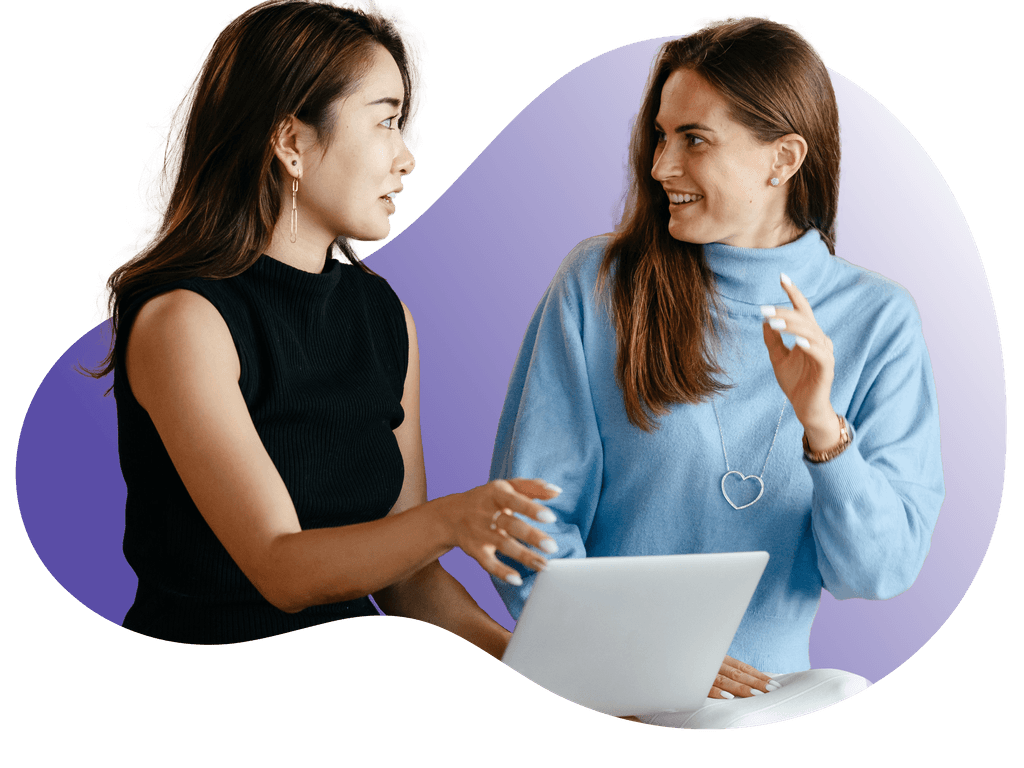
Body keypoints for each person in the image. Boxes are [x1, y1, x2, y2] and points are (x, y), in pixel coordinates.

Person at [490, 16, 944, 727]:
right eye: (660, 136)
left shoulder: (879, 319)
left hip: (772, 712)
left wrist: (823, 427)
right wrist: (639, 665)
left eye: (693, 140)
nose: (661, 166)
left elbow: (878, 572)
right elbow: (527, 526)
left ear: (783, 158)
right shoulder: (599, 285)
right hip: (606, 706)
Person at [91, 0, 559, 654]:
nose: (406, 159)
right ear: (290, 142)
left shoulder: (384, 315)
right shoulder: (185, 321)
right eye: (386, 122)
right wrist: (450, 519)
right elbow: (281, 569)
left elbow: (410, 583)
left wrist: (547, 671)